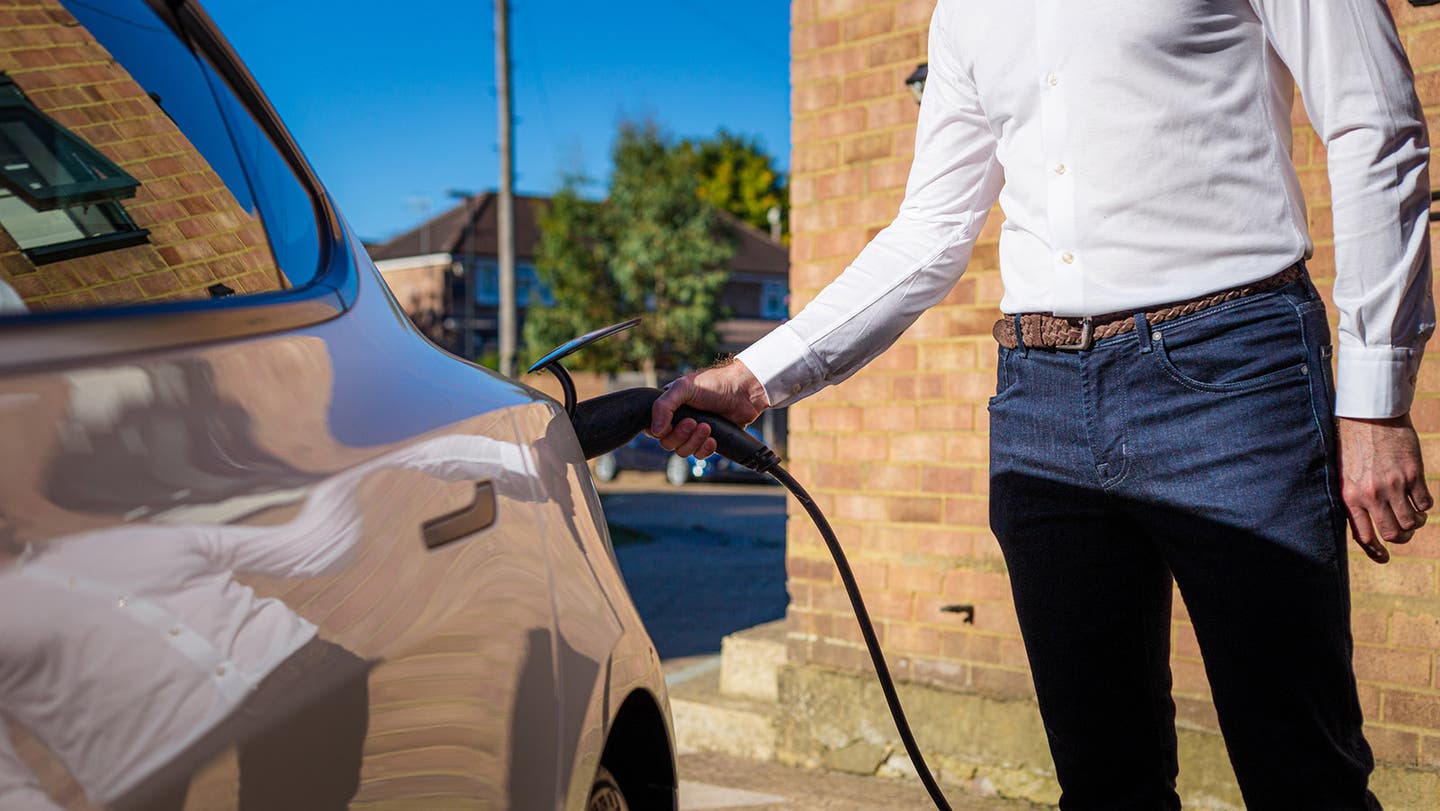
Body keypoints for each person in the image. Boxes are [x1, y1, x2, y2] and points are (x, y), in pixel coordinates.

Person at [650, 1, 1432, 808]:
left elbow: (1372, 120)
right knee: (1102, 782)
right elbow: (931, 228)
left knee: (1302, 771)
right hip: (1042, 398)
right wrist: (753, 379)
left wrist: (1375, 401)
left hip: (1231, 373)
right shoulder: (964, 13)